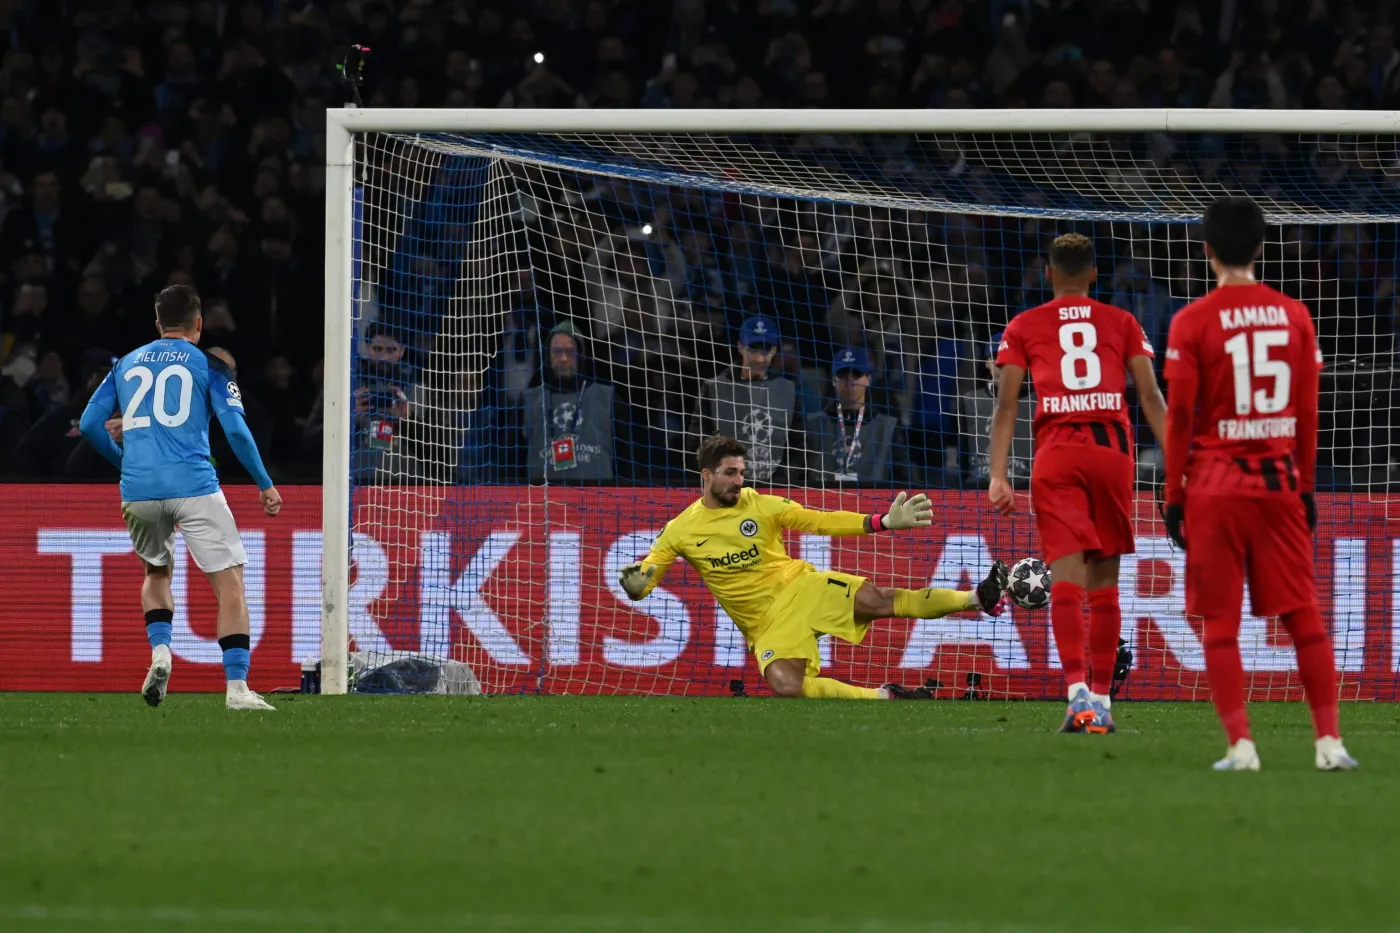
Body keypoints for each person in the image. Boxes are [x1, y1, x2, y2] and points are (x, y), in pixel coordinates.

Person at [1161, 197, 1357, 772]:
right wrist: (1307, 486)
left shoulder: (1192, 320)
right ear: (1262, 249)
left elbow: (1179, 418)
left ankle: (1241, 746)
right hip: (1278, 484)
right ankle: (1329, 744)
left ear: (1208, 252)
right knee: (1303, 615)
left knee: (1220, 620)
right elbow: (1308, 410)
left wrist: (1174, 495)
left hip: (1215, 488)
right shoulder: (1295, 314)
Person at [618, 434, 1010, 700]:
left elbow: (818, 520)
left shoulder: (760, 504)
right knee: (787, 685)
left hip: (800, 588)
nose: (740, 480)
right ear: (707, 476)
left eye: (741, 471)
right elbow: (648, 575)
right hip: (765, 626)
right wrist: (637, 585)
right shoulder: (681, 530)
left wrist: (881, 523)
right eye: (730, 473)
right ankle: (884, 696)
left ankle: (976, 597)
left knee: (879, 600)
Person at [988, 233, 1167, 734]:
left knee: (1065, 578)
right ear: (1094, 274)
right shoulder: (1123, 322)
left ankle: (1076, 695)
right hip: (1111, 453)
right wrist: (1182, 469)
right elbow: (1151, 397)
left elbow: (1007, 406)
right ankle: (1105, 703)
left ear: (1048, 272)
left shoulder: (1024, 325)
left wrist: (999, 475)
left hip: (1057, 456)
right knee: (1105, 586)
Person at [77, 284, 281, 712]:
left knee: (156, 573)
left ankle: (161, 653)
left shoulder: (126, 363)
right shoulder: (212, 365)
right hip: (195, 487)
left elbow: (91, 423)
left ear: (157, 324)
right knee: (230, 584)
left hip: (138, 490)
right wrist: (264, 482)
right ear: (199, 324)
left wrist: (125, 464)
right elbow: (237, 430)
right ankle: (238, 689)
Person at [698, 315, 808, 485]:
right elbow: (697, 443)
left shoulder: (788, 390)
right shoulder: (714, 388)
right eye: (753, 349)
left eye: (766, 350)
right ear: (740, 347)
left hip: (776, 487)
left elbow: (799, 445)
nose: (759, 358)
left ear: (775, 350)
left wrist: (784, 481)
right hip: (727, 487)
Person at [523, 320, 618, 482]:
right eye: (557, 352)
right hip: (541, 498)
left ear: (581, 355)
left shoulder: (607, 397)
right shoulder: (530, 399)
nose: (563, 359)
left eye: (570, 352)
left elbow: (626, 455)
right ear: (548, 356)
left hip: (597, 498)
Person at [806, 346, 907, 485]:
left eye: (856, 374)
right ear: (833, 380)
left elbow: (903, 478)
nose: (849, 381)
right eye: (843, 375)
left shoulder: (888, 428)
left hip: (874, 505)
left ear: (868, 379)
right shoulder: (813, 423)